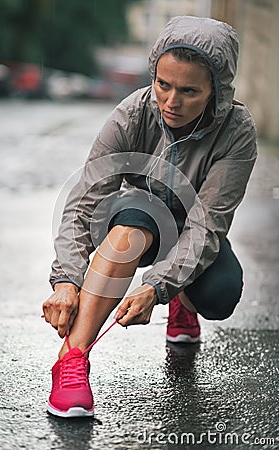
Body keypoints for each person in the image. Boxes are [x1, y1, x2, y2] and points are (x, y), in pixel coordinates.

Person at [42, 15, 257, 418]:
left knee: (221, 293)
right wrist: (67, 279)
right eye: (164, 84)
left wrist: (160, 288)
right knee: (133, 219)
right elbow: (87, 199)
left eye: (189, 90)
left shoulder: (236, 130)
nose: (171, 102)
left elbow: (207, 222)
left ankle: (183, 303)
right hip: (138, 215)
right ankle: (70, 362)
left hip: (194, 227)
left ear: (217, 91)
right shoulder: (134, 112)